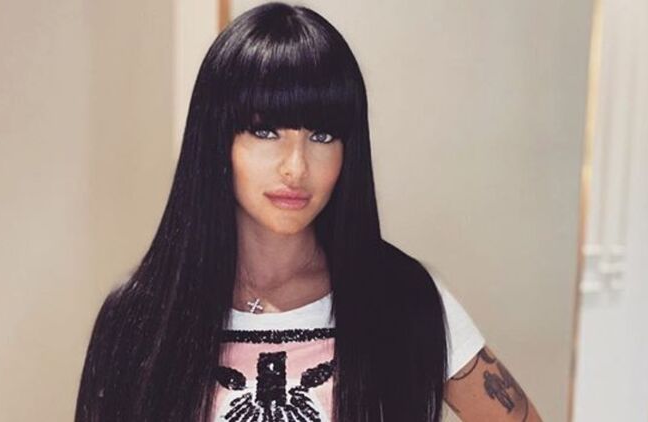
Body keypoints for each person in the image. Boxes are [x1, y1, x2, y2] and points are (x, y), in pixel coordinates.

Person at [74, 2, 542, 421]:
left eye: (322, 136)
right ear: (218, 140)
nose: (296, 167)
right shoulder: (140, 316)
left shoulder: (404, 297)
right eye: (266, 132)